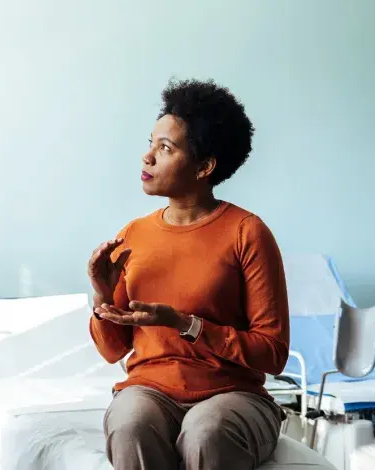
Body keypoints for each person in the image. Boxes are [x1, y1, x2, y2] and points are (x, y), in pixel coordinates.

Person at [87, 78, 290, 470]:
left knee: (206, 431)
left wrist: (185, 324)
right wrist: (101, 294)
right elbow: (113, 350)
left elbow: (273, 353)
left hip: (233, 394)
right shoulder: (134, 234)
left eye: (165, 148)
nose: (147, 158)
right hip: (149, 390)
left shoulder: (247, 233)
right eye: (151, 143)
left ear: (204, 167)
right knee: (131, 424)